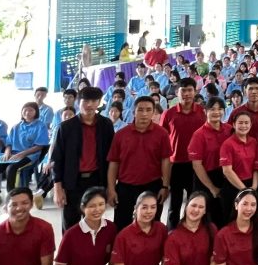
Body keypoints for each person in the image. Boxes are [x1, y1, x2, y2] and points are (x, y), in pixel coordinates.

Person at [51, 86, 116, 232]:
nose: (90, 104)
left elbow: (111, 157)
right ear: (78, 102)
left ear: (99, 102)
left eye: (94, 101)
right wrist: (57, 188)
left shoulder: (106, 125)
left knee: (94, 221)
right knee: (70, 225)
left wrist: (110, 187)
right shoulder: (66, 127)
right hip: (72, 182)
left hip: (96, 180)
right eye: (86, 101)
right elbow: (57, 159)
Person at [107, 96, 171, 230]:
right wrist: (112, 189)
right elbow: (114, 163)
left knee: (152, 225)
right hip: (125, 187)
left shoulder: (162, 134)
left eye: (148, 110)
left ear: (153, 112)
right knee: (121, 225)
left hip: (152, 186)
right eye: (140, 110)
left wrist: (165, 186)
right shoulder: (121, 134)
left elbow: (165, 160)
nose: (144, 114)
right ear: (133, 112)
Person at [0, 102, 49, 209]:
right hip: (12, 155)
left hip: (30, 156)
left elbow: (39, 146)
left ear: (36, 112)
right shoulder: (16, 127)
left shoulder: (41, 126)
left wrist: (22, 154)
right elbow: (9, 143)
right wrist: (7, 152)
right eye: (25, 110)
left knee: (11, 169)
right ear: (21, 112)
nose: (27, 112)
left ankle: (11, 199)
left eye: (31, 110)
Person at [160, 77, 206, 228]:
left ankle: (192, 228)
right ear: (176, 92)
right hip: (175, 165)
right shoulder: (168, 114)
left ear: (195, 92)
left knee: (194, 201)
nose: (186, 94)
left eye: (190, 90)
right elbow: (162, 139)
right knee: (175, 202)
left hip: (196, 165)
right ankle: (172, 231)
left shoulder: (202, 112)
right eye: (183, 90)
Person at [188, 96, 234, 227]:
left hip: (225, 175)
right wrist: (211, 188)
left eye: (220, 109)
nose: (216, 112)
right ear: (205, 111)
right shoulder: (199, 135)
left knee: (225, 215)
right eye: (212, 109)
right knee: (207, 219)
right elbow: (197, 165)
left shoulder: (229, 129)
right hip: (205, 178)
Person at [220, 112, 258, 200]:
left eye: (246, 123)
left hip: (252, 185)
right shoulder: (227, 144)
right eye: (240, 123)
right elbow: (227, 171)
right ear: (234, 125)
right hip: (233, 185)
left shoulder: (254, 142)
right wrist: (245, 190)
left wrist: (254, 186)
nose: (243, 126)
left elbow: (256, 166)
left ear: (251, 125)